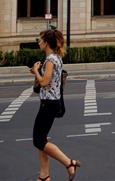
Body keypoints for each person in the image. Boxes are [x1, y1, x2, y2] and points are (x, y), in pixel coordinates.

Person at [30, 28, 81, 181]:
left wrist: (36, 71)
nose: (38, 42)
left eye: (40, 40)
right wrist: (38, 71)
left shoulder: (51, 59)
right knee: (42, 140)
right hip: (51, 103)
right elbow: (49, 79)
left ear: (46, 42)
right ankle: (44, 176)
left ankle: (68, 163)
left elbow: (44, 82)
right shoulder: (56, 57)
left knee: (38, 140)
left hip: (49, 104)